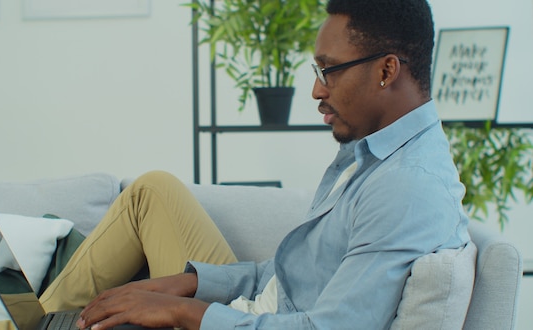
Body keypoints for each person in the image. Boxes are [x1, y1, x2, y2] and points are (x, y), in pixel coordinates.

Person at [36, 0, 471, 329]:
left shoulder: (407, 188)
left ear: (386, 70)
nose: (316, 91)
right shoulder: (372, 154)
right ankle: (31, 316)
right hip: (252, 310)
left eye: (328, 70)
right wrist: (190, 284)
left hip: (246, 321)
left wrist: (186, 312)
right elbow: (292, 276)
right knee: (152, 191)